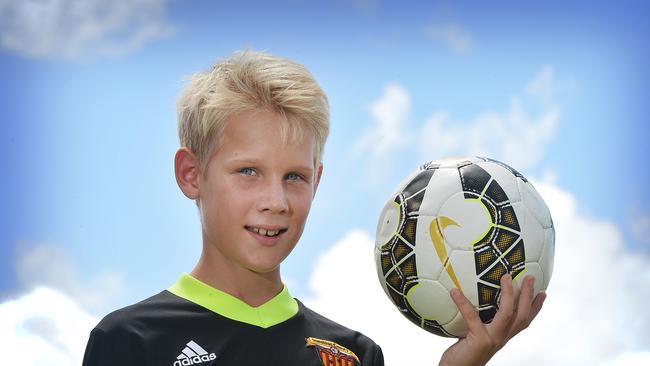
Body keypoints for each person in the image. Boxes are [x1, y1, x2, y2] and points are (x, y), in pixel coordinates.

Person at [82, 50, 546, 366]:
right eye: (248, 172)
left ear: (317, 181)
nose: (276, 202)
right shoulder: (130, 341)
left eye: (294, 177)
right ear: (191, 175)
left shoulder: (353, 355)